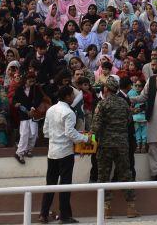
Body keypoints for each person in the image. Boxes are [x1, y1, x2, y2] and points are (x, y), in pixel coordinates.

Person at [39, 85, 90, 224]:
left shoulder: (50, 110)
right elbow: (70, 133)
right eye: (72, 95)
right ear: (67, 97)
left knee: (50, 183)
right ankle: (64, 216)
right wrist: (86, 139)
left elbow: (46, 132)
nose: (74, 97)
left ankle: (43, 214)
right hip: (65, 153)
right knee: (65, 184)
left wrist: (56, 138)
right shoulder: (69, 112)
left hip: (52, 152)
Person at [91, 77, 138, 219]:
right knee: (126, 174)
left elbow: (95, 127)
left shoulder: (102, 104)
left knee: (103, 176)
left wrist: (92, 141)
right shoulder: (124, 103)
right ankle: (131, 208)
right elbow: (129, 120)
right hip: (122, 144)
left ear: (106, 89)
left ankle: (107, 209)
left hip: (105, 145)